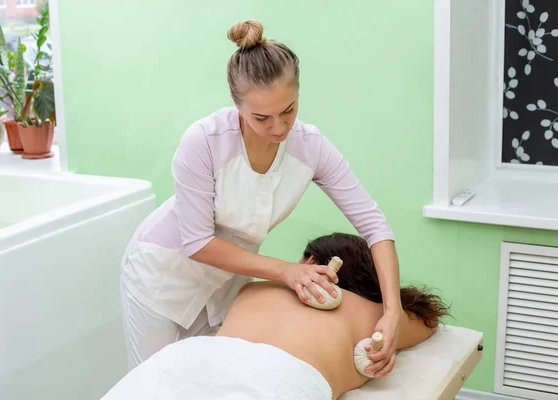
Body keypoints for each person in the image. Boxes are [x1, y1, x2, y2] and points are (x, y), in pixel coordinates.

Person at [119, 19, 401, 376]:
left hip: (226, 283)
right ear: (237, 104)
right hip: (162, 276)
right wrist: (288, 272)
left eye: (289, 110)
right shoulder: (204, 141)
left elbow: (374, 225)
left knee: (208, 384)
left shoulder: (311, 147)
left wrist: (393, 313)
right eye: (262, 117)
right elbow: (197, 242)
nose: (279, 128)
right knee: (153, 387)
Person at [105, 233, 450, 400]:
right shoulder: (372, 311)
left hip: (183, 363)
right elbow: (427, 322)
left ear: (312, 262)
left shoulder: (255, 289)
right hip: (274, 383)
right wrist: (390, 303)